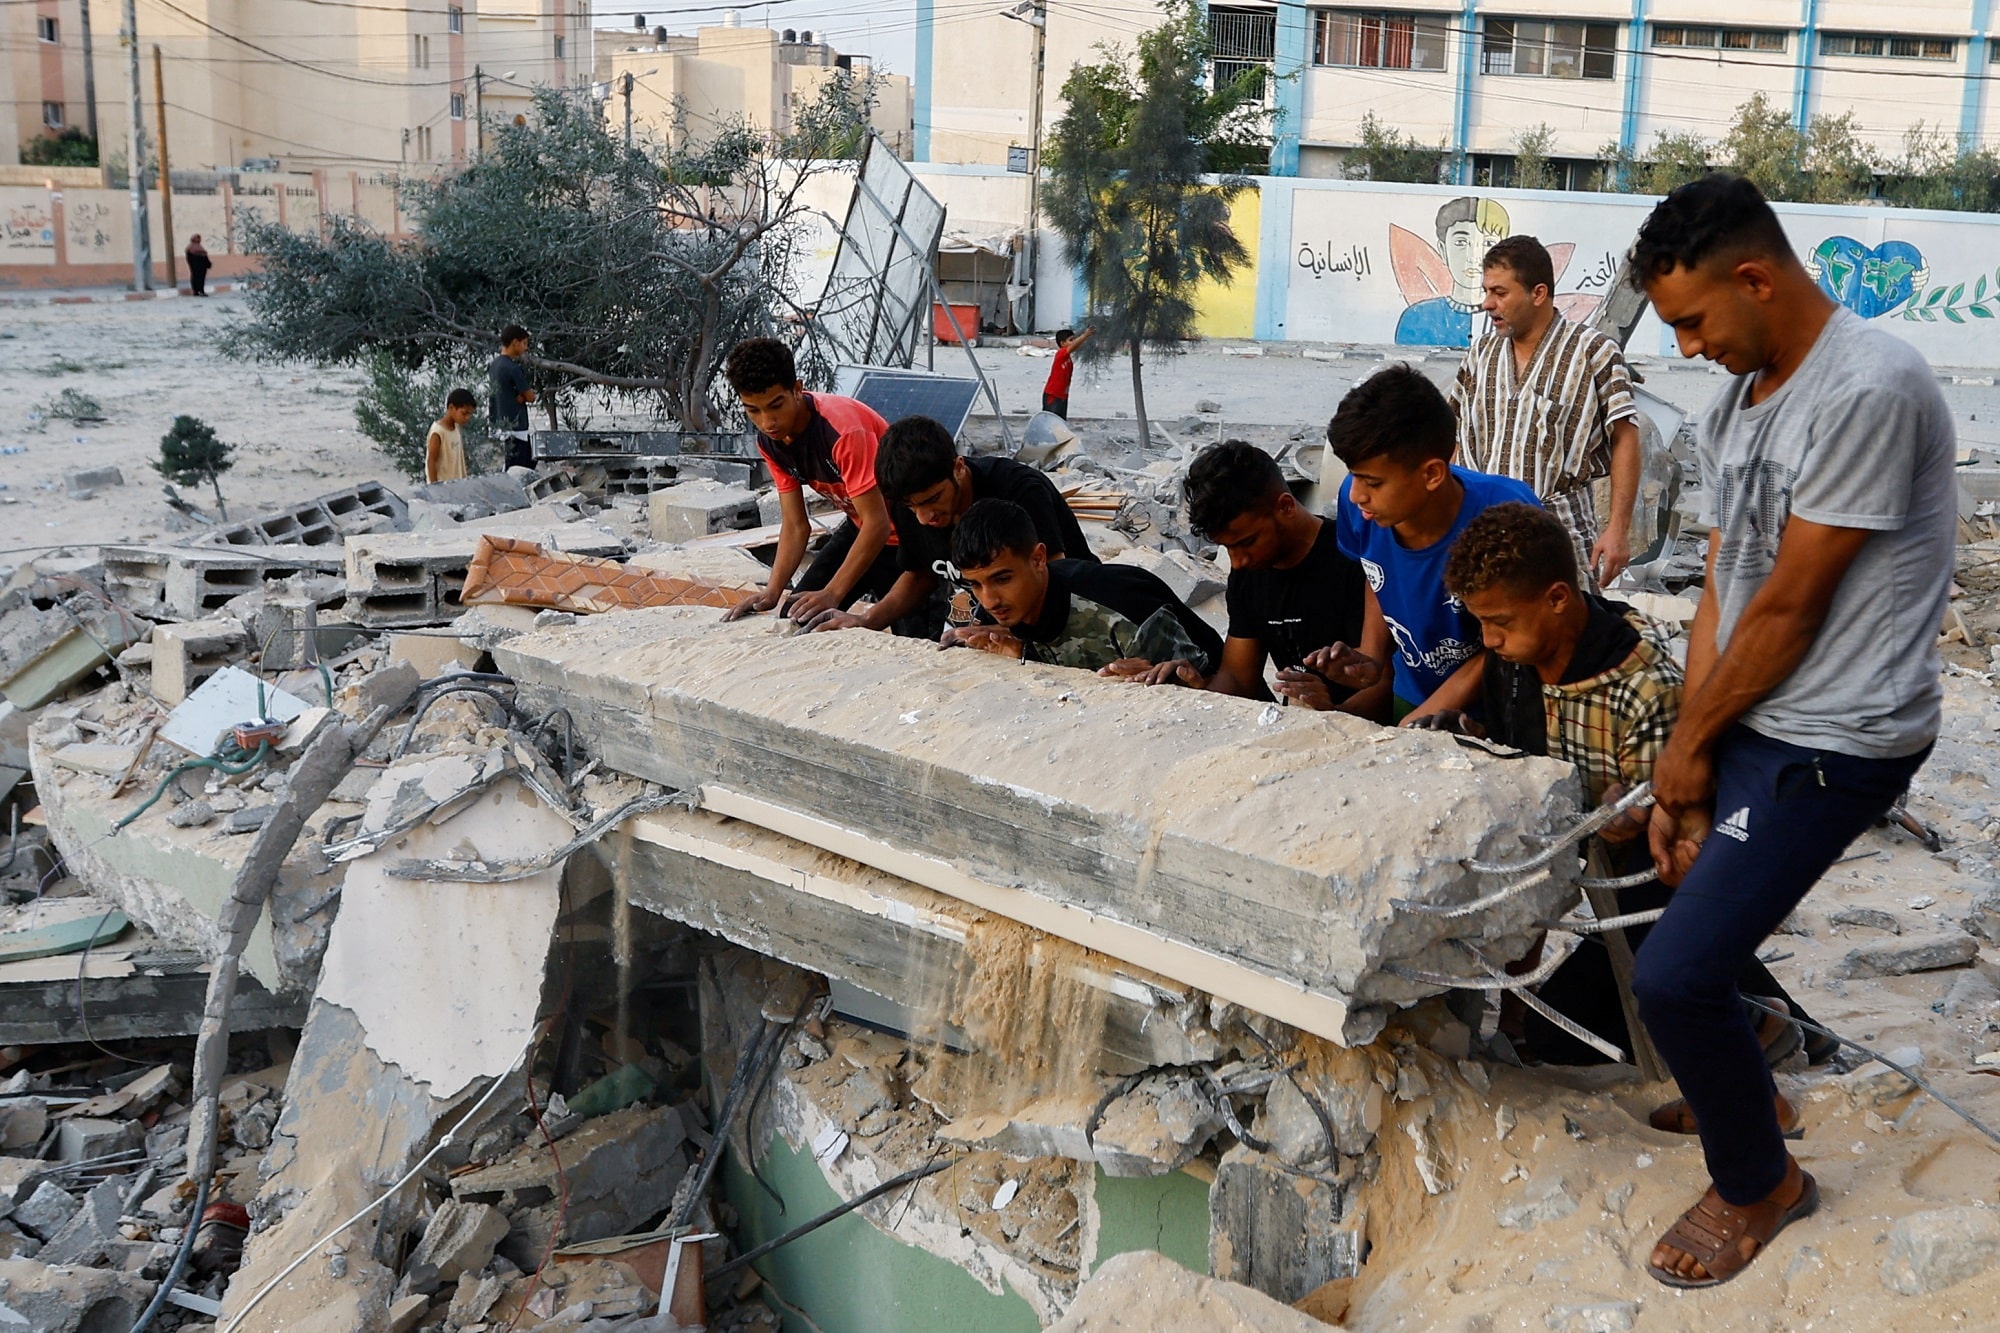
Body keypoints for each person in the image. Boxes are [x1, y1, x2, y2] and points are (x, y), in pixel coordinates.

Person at [1626, 174, 1953, 1288]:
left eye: (1691, 321)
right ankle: (1752, 1080)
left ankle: (1758, 1180)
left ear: (1755, 280)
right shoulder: (1737, 406)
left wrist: (1689, 757)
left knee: (1674, 978)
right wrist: (1687, 747)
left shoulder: (1868, 386)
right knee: (1667, 881)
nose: (1687, 349)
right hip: (1756, 709)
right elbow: (1725, 587)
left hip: (1843, 733)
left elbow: (1792, 604)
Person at [1432, 501, 1827, 1071]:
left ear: (1558, 598)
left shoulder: (1643, 687)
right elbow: (1519, 759)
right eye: (1480, 624)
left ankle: (1757, 1024)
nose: (1488, 640)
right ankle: (1795, 1026)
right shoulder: (1517, 658)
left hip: (1656, 884)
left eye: (1500, 623)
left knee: (1618, 994)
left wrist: (1628, 814)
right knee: (1556, 1028)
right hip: (1595, 876)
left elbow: (1667, 835)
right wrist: (1470, 738)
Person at [1316, 364, 1539, 723]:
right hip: (1414, 692)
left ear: (1432, 473)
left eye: (1372, 482)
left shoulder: (1506, 516)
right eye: (1353, 476)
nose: (1356, 494)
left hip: (1502, 705)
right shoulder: (1360, 506)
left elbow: (1515, 634)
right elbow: (1377, 573)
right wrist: (1371, 655)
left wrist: (1421, 718)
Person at [1108, 440, 1379, 717]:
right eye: (1227, 548)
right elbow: (1238, 678)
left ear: (1286, 507)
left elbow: (1383, 680)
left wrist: (1332, 712)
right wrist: (1189, 687)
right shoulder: (1250, 574)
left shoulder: (1354, 559)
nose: (1238, 561)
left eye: (1247, 542)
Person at [1452, 234, 1642, 589]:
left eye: (1500, 293)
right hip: (1480, 532)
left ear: (1538, 293)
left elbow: (1625, 440)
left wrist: (1618, 529)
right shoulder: (1480, 354)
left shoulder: (1594, 353)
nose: (1487, 304)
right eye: (1487, 291)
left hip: (1560, 533)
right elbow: (1454, 435)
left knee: (1566, 620)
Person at [798, 413, 1095, 637]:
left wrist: (1008, 632)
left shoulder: (1019, 490)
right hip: (988, 614)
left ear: (959, 468)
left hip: (1075, 614)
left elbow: (1056, 572)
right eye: (912, 506)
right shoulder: (910, 502)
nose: (924, 518)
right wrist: (867, 621)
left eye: (933, 499)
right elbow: (919, 573)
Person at [721, 337, 900, 626]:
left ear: (797, 389)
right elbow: (795, 525)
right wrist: (772, 591)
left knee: (914, 638)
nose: (767, 422)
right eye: (753, 410)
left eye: (776, 405)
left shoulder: (842, 431)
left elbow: (878, 523)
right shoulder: (771, 442)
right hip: (860, 527)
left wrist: (833, 593)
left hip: (908, 532)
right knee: (796, 615)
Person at [942, 499, 1222, 676]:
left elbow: (1211, 688)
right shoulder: (997, 613)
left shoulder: (1120, 610)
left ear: (1038, 559)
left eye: (1002, 579)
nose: (989, 601)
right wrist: (1021, 653)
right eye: (975, 584)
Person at [488, 325, 537, 470]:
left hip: (500, 422)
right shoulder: (513, 368)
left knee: (511, 463)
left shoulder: (494, 365)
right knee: (521, 466)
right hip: (516, 426)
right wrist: (524, 395)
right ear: (515, 342)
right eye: (524, 343)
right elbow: (530, 397)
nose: (526, 348)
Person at [426, 389, 476, 484]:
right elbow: (431, 461)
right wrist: (435, 487)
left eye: (469, 414)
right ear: (451, 408)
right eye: (464, 413)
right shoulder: (438, 432)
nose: (467, 417)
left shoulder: (456, 427)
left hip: (457, 485)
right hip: (444, 488)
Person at [1041, 327, 1092, 419]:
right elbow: (1073, 346)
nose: (1074, 342)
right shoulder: (1060, 354)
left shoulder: (1067, 357)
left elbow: (1075, 346)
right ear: (1062, 343)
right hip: (1053, 395)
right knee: (1051, 420)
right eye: (1071, 340)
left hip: (1062, 396)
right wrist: (1085, 335)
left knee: (1060, 421)